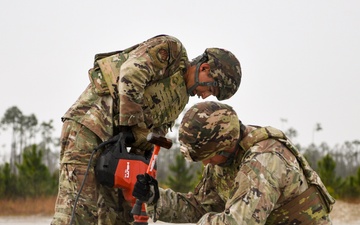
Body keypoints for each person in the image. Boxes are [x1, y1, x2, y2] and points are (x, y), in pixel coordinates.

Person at [51, 35, 242, 225]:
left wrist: (145, 163)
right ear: (204, 68)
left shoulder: (179, 100)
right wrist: (135, 126)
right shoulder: (171, 52)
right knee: (79, 211)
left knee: (119, 214)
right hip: (91, 125)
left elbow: (151, 136)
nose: (205, 96)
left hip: (115, 149)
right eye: (211, 89)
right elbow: (131, 74)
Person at [133, 101, 336, 224]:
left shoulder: (265, 161)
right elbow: (202, 207)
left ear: (225, 146)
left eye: (208, 157)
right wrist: (156, 198)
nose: (206, 164)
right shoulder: (222, 159)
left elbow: (240, 222)